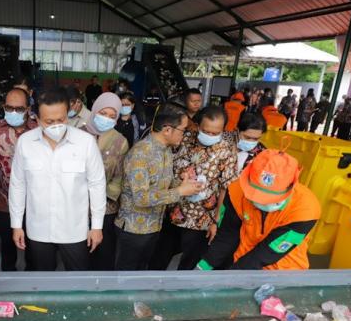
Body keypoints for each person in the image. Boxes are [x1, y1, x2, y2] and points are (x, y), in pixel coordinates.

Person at [8, 87, 106, 271]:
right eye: (49, 121)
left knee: (78, 282)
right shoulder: (26, 143)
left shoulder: (86, 143)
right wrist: (16, 225)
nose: (56, 125)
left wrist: (97, 226)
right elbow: (18, 185)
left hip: (75, 230)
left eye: (61, 120)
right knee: (41, 281)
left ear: (67, 114)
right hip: (38, 230)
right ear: (36, 118)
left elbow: (97, 185)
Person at [196, 149, 320, 271]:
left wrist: (235, 274)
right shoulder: (236, 192)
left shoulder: (305, 209)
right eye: (257, 196)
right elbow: (228, 234)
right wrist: (204, 265)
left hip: (286, 270)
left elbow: (269, 251)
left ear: (290, 187)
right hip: (242, 259)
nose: (262, 202)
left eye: (270, 198)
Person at [114, 104, 205, 270]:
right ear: (167, 129)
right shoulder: (141, 153)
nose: (184, 134)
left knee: (142, 273)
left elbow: (163, 185)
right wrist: (179, 191)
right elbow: (141, 198)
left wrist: (183, 184)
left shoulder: (166, 150)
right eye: (182, 129)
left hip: (154, 226)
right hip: (134, 230)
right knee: (125, 277)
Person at [161, 106, 238, 270]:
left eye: (215, 133)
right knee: (159, 256)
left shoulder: (227, 151)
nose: (210, 135)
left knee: (188, 264)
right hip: (171, 209)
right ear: (197, 126)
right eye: (206, 131)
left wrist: (216, 221)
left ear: (223, 130)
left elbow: (225, 188)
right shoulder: (184, 138)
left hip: (201, 220)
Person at [0, 88, 38, 271]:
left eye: (19, 109)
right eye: (9, 108)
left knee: (34, 248)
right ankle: (7, 288)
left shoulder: (39, 130)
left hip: (34, 203)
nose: (13, 112)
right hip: (3, 202)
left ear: (28, 109)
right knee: (7, 247)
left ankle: (32, 286)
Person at [85, 93, 130, 270]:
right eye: (103, 113)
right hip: (77, 206)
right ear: (95, 110)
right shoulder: (78, 135)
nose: (107, 119)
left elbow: (120, 176)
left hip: (105, 207)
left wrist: (100, 193)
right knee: (80, 253)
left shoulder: (120, 142)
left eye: (112, 116)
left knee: (103, 254)